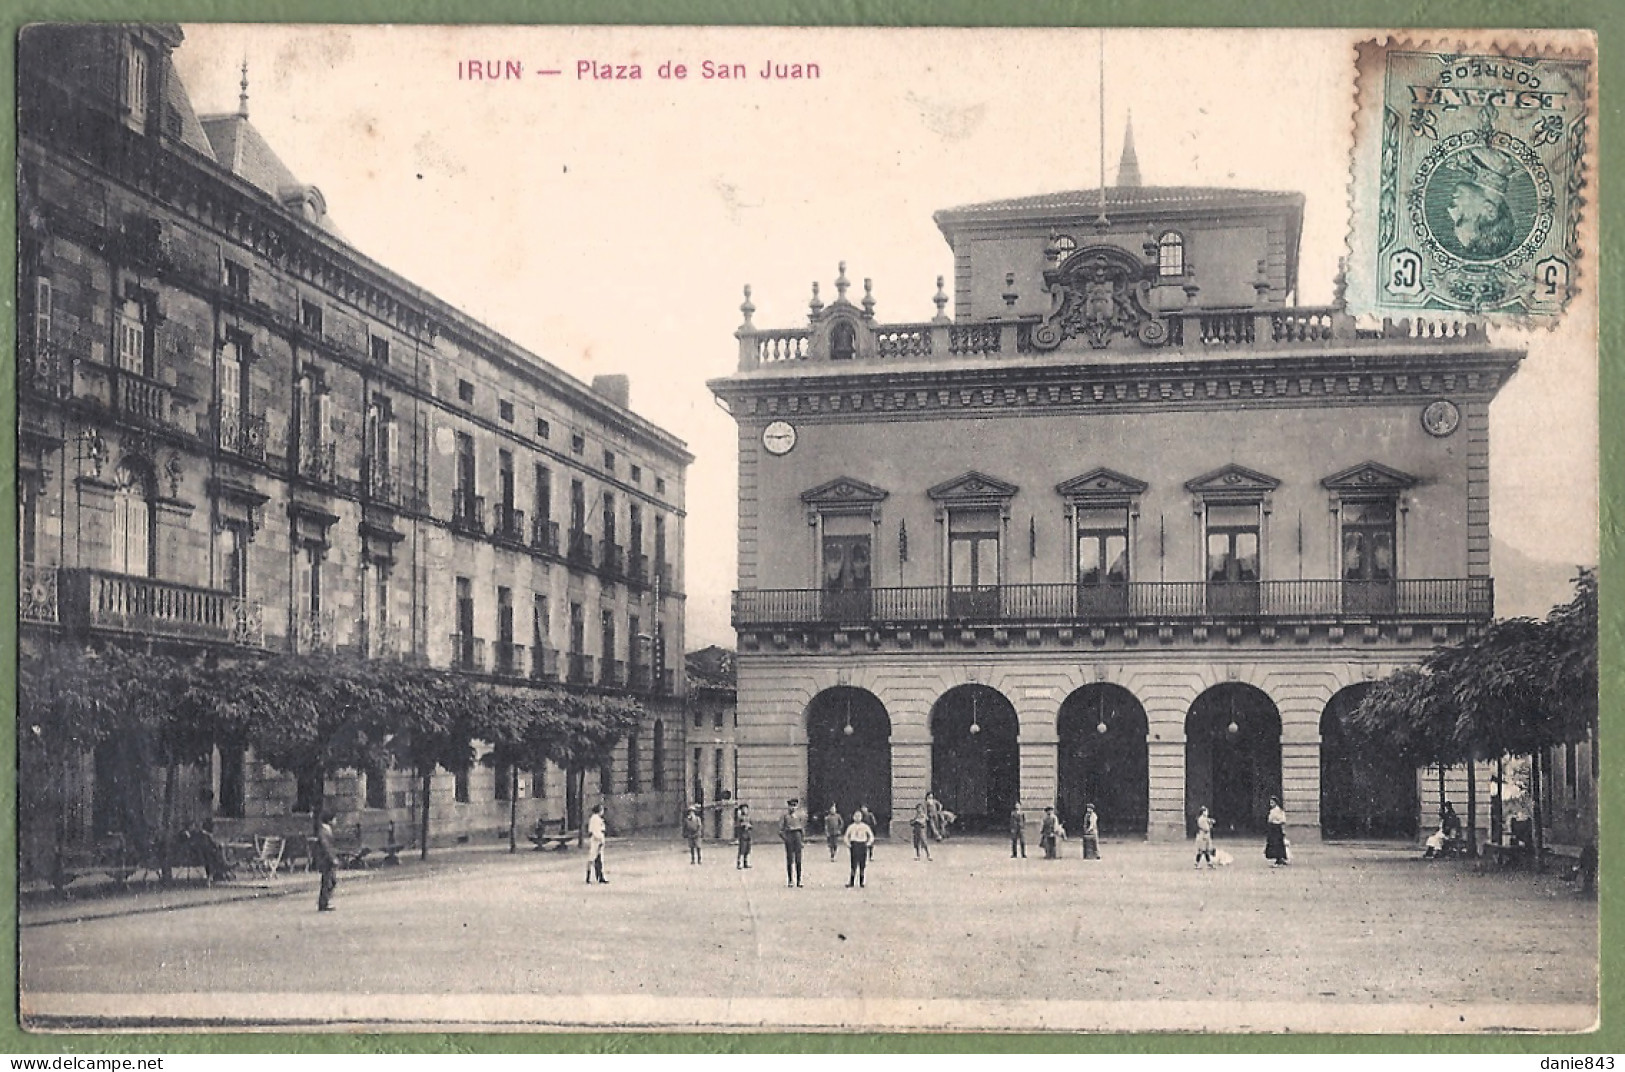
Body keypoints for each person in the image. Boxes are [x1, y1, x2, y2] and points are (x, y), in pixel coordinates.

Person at [844, 809, 875, 888]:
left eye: (859, 816)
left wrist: (868, 844)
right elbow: (846, 836)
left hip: (862, 844)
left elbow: (871, 836)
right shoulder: (851, 827)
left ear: (861, 817)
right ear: (853, 817)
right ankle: (851, 882)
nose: (857, 818)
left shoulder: (865, 826)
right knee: (853, 864)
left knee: (862, 864)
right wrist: (848, 844)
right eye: (856, 816)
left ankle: (862, 882)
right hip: (854, 845)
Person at [315, 812, 338, 911]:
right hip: (326, 860)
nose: (335, 821)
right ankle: (323, 903)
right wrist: (332, 858)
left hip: (327, 859)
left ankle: (324, 901)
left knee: (331, 881)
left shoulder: (326, 830)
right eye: (334, 819)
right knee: (327, 881)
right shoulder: (323, 831)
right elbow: (326, 846)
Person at [780, 798, 805, 887]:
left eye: (794, 806)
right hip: (789, 836)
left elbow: (802, 829)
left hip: (797, 837)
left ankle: (799, 880)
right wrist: (786, 839)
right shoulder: (785, 816)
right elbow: (781, 830)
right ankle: (790, 880)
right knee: (790, 860)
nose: (793, 808)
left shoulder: (799, 817)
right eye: (791, 806)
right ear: (788, 807)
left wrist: (802, 840)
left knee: (799, 860)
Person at [586, 804, 608, 884]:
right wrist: (600, 839)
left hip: (598, 840)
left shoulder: (598, 818)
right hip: (596, 841)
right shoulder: (595, 819)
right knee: (592, 858)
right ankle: (589, 877)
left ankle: (600, 876)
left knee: (599, 859)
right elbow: (595, 831)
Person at [1264, 797, 1289, 866]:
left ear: (1276, 803)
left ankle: (1279, 859)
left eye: (1272, 802)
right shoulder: (1272, 810)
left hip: (1276, 829)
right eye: (1270, 803)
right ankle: (1279, 858)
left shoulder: (1278, 810)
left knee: (1277, 844)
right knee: (1275, 844)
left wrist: (1275, 822)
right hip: (1272, 829)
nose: (1271, 804)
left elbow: (1283, 820)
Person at [734, 804, 753, 869]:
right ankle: (739, 863)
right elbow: (737, 825)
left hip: (748, 835)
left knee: (747, 850)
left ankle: (745, 863)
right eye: (744, 809)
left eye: (746, 809)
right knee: (741, 850)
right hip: (742, 836)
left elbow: (752, 825)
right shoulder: (740, 818)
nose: (745, 810)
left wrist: (750, 826)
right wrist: (743, 825)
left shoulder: (749, 817)